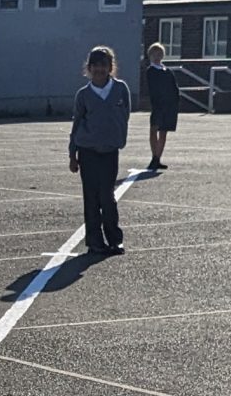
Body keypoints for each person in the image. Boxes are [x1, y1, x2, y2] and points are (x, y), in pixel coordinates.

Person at [68, 45, 132, 257]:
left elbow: (125, 115)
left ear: (110, 67)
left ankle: (114, 240)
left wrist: (117, 137)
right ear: (89, 68)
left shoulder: (120, 89)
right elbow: (77, 124)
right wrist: (73, 155)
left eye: (104, 65)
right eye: (95, 66)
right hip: (88, 151)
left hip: (110, 151)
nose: (99, 70)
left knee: (107, 196)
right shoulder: (84, 95)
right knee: (91, 197)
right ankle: (94, 242)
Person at [141, 40, 179, 169]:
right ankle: (154, 157)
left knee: (163, 132)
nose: (157, 57)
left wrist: (175, 103)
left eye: (159, 54)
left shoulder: (168, 72)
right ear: (150, 56)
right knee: (154, 130)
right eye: (154, 54)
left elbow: (174, 88)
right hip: (158, 105)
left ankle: (157, 158)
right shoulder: (151, 71)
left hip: (169, 106)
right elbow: (152, 89)